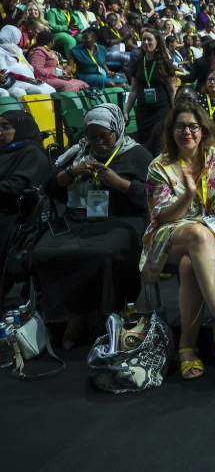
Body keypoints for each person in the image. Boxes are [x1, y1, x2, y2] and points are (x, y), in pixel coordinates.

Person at [142, 102, 215, 380]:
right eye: (180, 126)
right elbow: (162, 217)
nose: (187, 132)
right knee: (197, 233)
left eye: (192, 126)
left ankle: (187, 346)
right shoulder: (159, 166)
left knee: (189, 264)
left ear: (203, 130)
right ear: (171, 130)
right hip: (172, 234)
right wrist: (187, 196)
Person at [37, 105, 153, 347]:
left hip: (122, 219)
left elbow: (154, 195)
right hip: (79, 218)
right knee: (43, 253)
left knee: (102, 253)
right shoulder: (79, 152)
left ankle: (103, 314)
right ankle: (68, 315)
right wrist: (72, 172)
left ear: (117, 130)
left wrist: (119, 182)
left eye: (105, 136)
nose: (99, 143)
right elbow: (48, 184)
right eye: (92, 137)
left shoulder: (137, 154)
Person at [0, 111, 50, 291]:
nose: (0, 132)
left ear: (21, 129)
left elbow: (15, 187)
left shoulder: (31, 152)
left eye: (6, 127)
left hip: (13, 214)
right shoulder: (5, 151)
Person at [125, 30, 175, 144]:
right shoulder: (137, 63)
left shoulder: (164, 63)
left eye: (149, 39)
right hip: (143, 111)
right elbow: (133, 90)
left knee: (160, 142)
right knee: (145, 143)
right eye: (143, 39)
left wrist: (174, 110)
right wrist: (126, 111)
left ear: (157, 42)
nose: (146, 42)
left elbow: (172, 91)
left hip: (161, 110)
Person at [0, 25, 57, 97]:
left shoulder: (17, 49)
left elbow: (27, 65)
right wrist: (25, 79)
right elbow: (4, 72)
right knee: (35, 92)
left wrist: (36, 77)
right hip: (16, 81)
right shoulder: (1, 51)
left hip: (30, 80)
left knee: (52, 91)